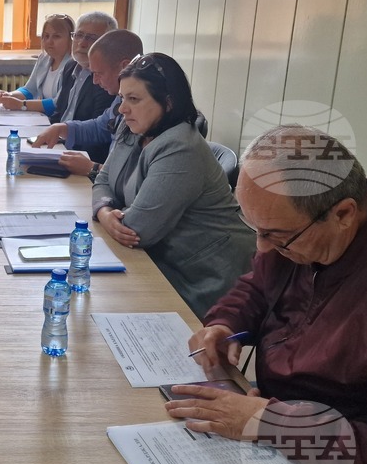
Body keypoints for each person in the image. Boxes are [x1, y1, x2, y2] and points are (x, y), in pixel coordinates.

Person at [165, 125, 367, 464]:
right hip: (283, 419)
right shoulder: (308, 226)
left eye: (275, 236)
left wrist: (273, 424)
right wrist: (225, 323)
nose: (261, 247)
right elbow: (259, 284)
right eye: (255, 229)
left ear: (343, 214)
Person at [92, 53, 253, 317]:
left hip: (199, 276)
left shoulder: (181, 147)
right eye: (122, 98)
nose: (122, 109)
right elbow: (102, 181)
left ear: (167, 103)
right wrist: (105, 212)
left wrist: (109, 216)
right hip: (157, 260)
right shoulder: (132, 127)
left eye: (134, 99)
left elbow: (138, 230)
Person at [33, 29, 143, 172]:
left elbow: (131, 176)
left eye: (99, 73)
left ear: (125, 67)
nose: (95, 81)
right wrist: (62, 128)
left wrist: (92, 168)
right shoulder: (120, 98)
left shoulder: (145, 110)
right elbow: (100, 127)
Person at [0, 13, 74, 113]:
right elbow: (29, 90)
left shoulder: (73, 66)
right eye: (46, 36)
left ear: (71, 39)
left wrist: (20, 104)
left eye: (56, 36)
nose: (49, 41)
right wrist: (9, 95)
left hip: (58, 119)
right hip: (41, 118)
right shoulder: (44, 58)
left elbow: (58, 104)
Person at [48, 11, 116, 127]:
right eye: (79, 35)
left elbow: (98, 129)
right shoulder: (70, 67)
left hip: (78, 137)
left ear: (108, 43)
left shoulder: (105, 78)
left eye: (92, 38)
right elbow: (58, 113)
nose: (82, 43)